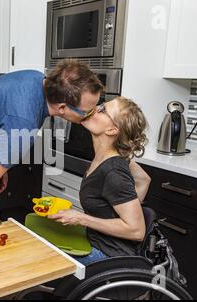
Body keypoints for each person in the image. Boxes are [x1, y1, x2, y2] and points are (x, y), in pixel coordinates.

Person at [0, 59, 149, 235]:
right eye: (89, 110)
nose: (92, 113)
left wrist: (0, 166)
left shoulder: (36, 79)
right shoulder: (24, 122)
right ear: (63, 107)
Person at [48, 97, 150, 265]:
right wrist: (120, 210)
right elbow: (144, 180)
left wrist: (81, 219)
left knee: (40, 256)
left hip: (108, 256)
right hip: (94, 242)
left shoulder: (113, 171)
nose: (94, 109)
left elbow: (137, 231)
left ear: (111, 130)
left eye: (102, 110)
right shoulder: (105, 159)